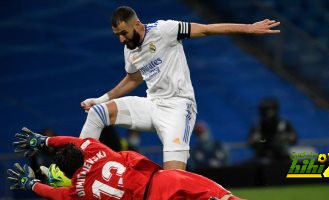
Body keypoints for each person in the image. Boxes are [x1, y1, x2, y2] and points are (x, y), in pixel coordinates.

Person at [79, 6, 281, 170]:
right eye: (117, 35)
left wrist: (248, 28)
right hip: (152, 105)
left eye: (123, 33)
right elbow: (133, 79)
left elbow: (206, 29)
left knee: (173, 177)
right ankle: (76, 173)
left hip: (178, 107)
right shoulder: (129, 50)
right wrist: (100, 99)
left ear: (137, 24)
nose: (121, 39)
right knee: (98, 113)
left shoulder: (164, 30)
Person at [8, 127, 242, 200]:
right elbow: (71, 140)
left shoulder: (78, 190)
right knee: (217, 192)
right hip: (163, 181)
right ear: (81, 153)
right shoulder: (93, 148)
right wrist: (44, 140)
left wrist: (30, 185)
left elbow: (54, 194)